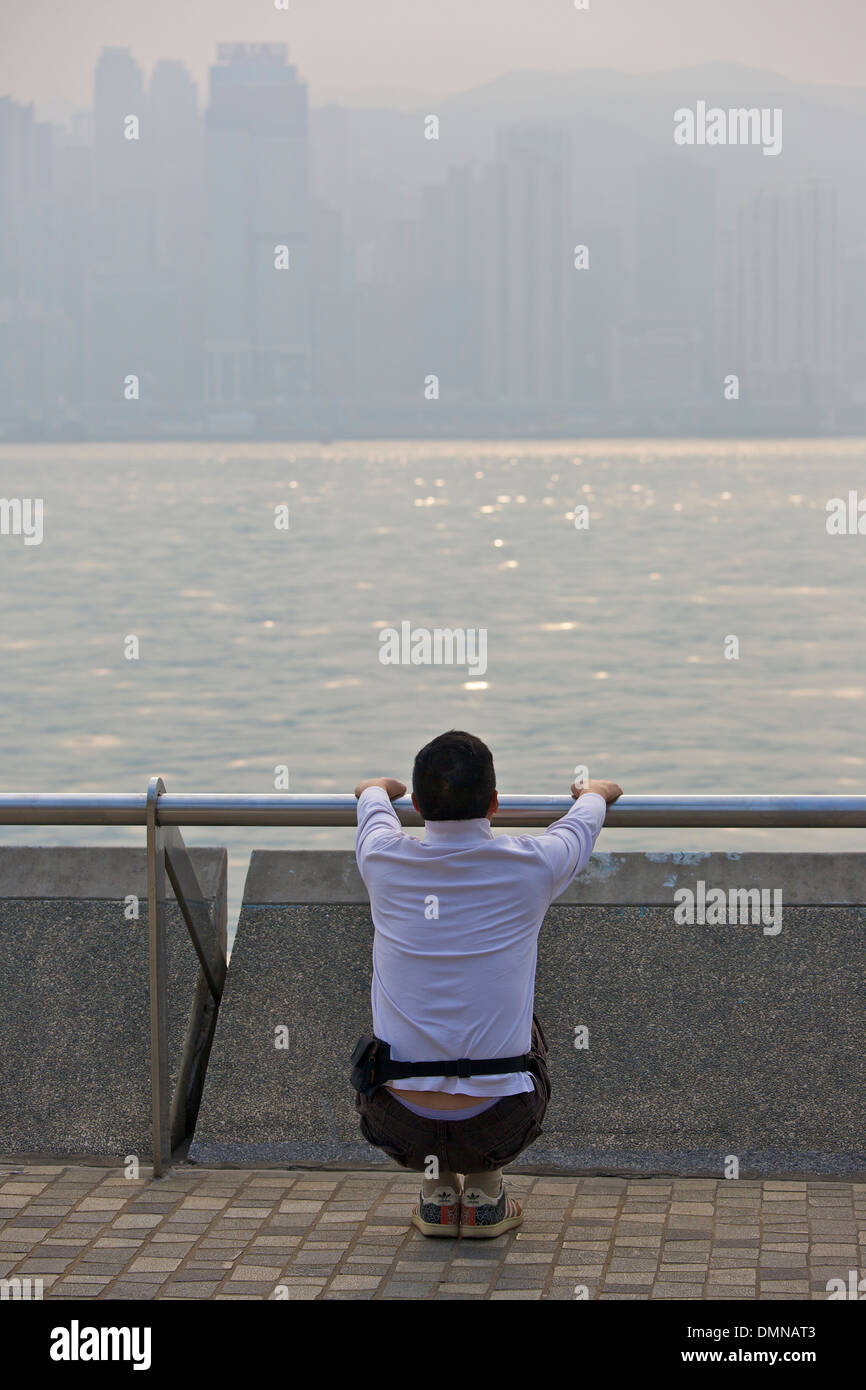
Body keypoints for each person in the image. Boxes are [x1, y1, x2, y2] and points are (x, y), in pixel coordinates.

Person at [353, 729, 622, 1239]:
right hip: (498, 1125)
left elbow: (370, 797)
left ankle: (436, 1195)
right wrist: (594, 791)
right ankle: (484, 1193)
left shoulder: (382, 859)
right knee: (521, 1023)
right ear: (495, 803)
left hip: (399, 1127)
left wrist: (375, 789)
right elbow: (585, 819)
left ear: (414, 804)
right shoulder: (532, 864)